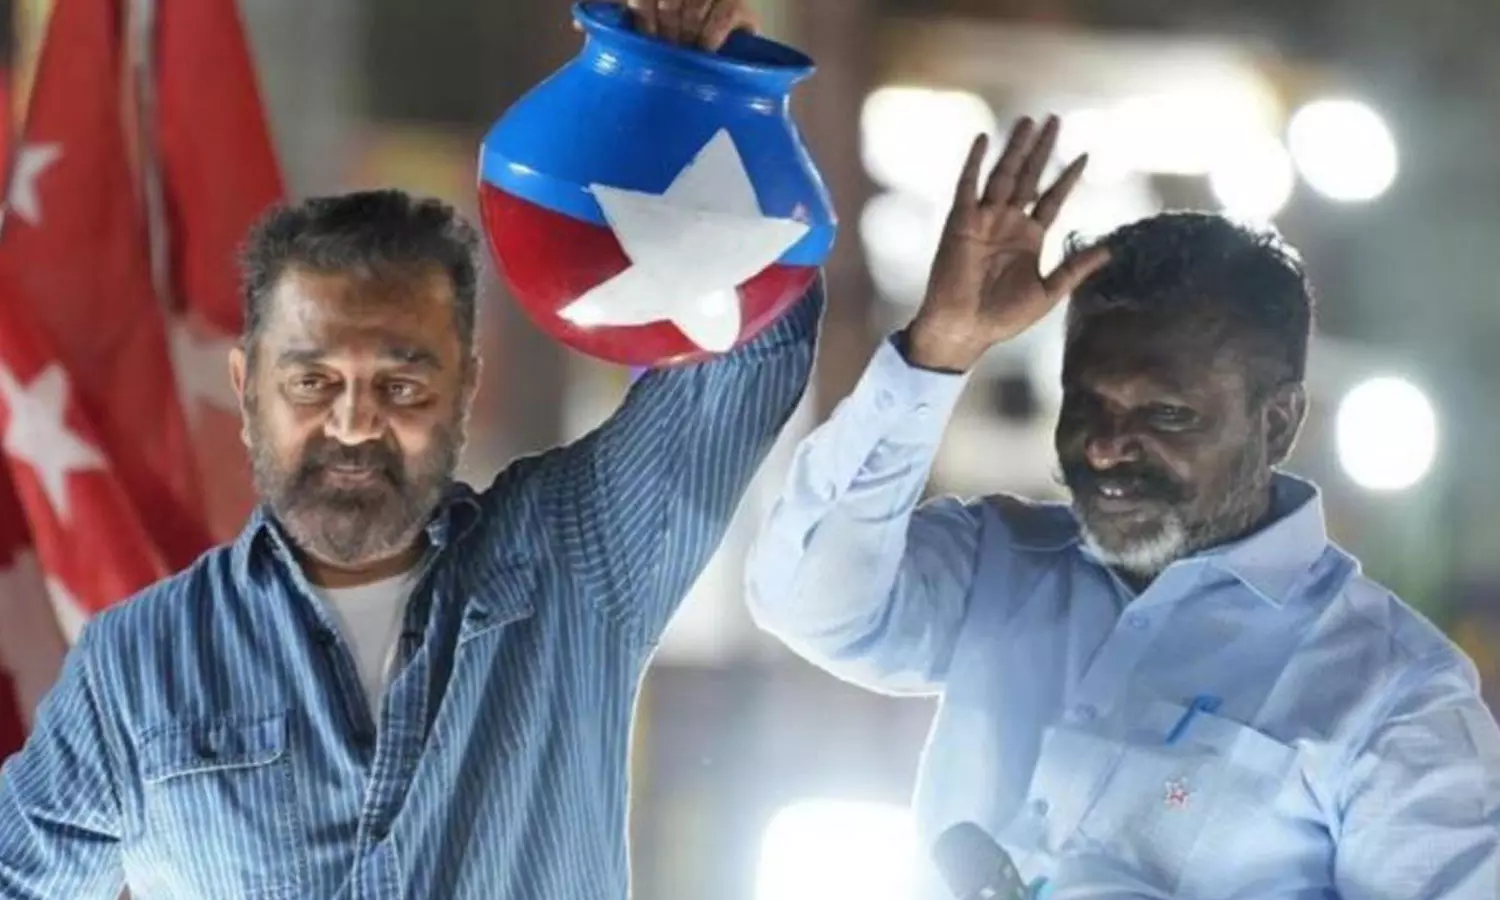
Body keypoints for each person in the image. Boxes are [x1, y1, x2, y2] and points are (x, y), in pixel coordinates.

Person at [0, 2, 807, 898]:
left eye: (403, 386)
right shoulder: (140, 661)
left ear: (467, 385)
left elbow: (750, 355)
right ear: (246, 389)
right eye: (312, 382)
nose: (354, 425)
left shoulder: (577, 558)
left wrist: (705, 102)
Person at [747, 115, 1500, 899]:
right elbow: (804, 599)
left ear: (1278, 422)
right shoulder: (1001, 563)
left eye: (1166, 415)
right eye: (1087, 404)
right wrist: (937, 352)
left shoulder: (1393, 692)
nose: (1107, 448)